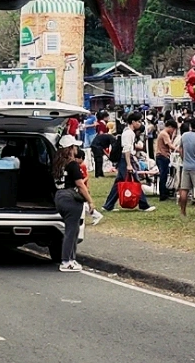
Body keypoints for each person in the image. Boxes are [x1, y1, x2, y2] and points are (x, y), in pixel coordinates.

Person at [55, 136, 98, 270]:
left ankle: (71, 259)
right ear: (70, 148)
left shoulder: (57, 164)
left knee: (73, 229)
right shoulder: (72, 164)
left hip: (59, 196)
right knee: (71, 231)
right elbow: (80, 185)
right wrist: (90, 201)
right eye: (75, 146)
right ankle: (66, 260)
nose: (76, 149)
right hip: (70, 198)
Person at [103, 113, 152, 211]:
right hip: (126, 159)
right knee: (135, 181)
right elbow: (126, 149)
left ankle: (108, 205)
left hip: (125, 159)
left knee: (119, 182)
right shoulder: (129, 133)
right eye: (138, 121)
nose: (140, 123)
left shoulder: (127, 131)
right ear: (133, 122)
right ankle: (144, 205)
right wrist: (129, 164)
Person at [155, 118, 178, 200]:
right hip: (162, 156)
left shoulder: (163, 133)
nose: (173, 131)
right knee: (163, 176)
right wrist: (179, 150)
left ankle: (164, 192)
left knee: (164, 175)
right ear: (170, 127)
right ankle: (163, 194)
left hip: (161, 156)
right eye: (173, 129)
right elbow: (170, 146)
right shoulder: (164, 134)